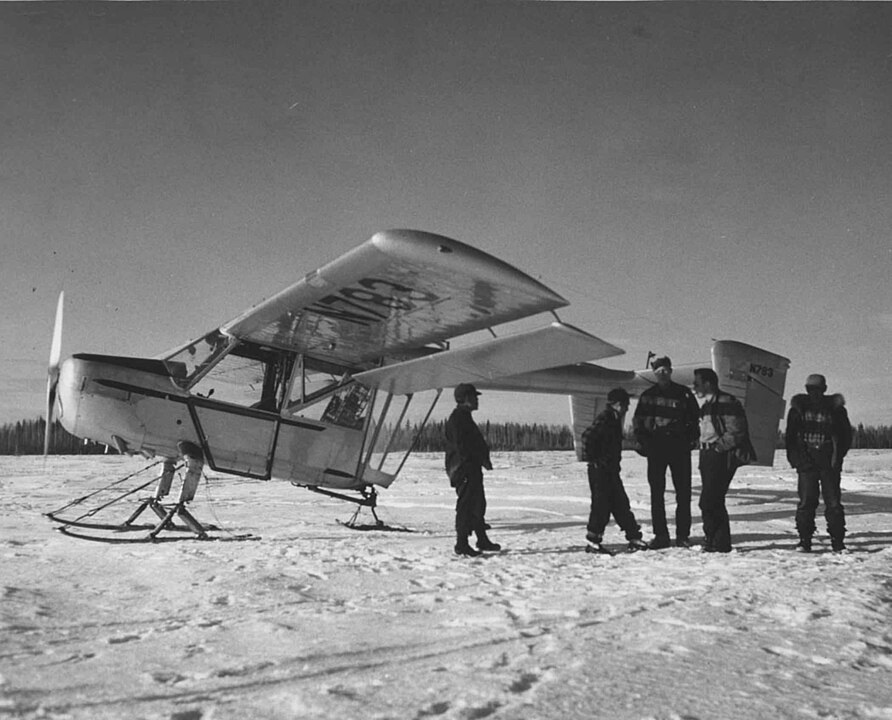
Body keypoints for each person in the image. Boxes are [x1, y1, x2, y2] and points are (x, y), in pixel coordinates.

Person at [632, 356, 701, 549]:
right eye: (658, 371)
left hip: (679, 447)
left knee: (684, 492)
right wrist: (644, 442)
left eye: (666, 370)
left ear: (671, 371)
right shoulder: (648, 395)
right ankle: (661, 535)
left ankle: (683, 535)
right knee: (657, 493)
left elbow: (695, 418)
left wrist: (691, 438)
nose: (662, 373)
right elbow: (638, 421)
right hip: (657, 447)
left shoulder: (684, 394)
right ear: (654, 373)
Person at [784, 374, 852, 553]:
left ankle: (838, 541)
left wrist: (837, 458)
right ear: (806, 389)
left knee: (834, 503)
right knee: (807, 502)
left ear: (824, 389)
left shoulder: (836, 409)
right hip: (806, 463)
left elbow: (845, 436)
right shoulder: (798, 409)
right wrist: (798, 460)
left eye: (817, 389)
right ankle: (804, 540)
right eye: (810, 389)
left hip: (829, 463)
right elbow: (790, 438)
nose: (814, 392)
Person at [692, 368, 755, 553]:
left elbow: (736, 431)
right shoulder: (706, 405)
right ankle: (714, 541)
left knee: (710, 500)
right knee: (712, 500)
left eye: (697, 383)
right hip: (707, 455)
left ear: (708, 384)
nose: (694, 387)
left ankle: (718, 542)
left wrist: (718, 448)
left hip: (720, 456)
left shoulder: (727, 402)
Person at [581, 388, 648, 555]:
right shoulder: (606, 418)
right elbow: (587, 437)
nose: (627, 408)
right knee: (600, 507)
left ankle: (634, 537)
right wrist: (595, 459)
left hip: (610, 470)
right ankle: (593, 542)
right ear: (618, 404)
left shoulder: (614, 418)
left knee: (620, 504)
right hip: (600, 471)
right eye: (625, 404)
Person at [444, 383, 501, 557]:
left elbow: (472, 445)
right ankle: (461, 544)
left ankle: (482, 539)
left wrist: (483, 460)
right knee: (466, 506)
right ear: (466, 399)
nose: (477, 400)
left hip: (470, 468)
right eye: (474, 397)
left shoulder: (464, 417)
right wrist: (477, 460)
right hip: (464, 470)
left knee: (478, 504)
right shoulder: (458, 419)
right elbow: (463, 447)